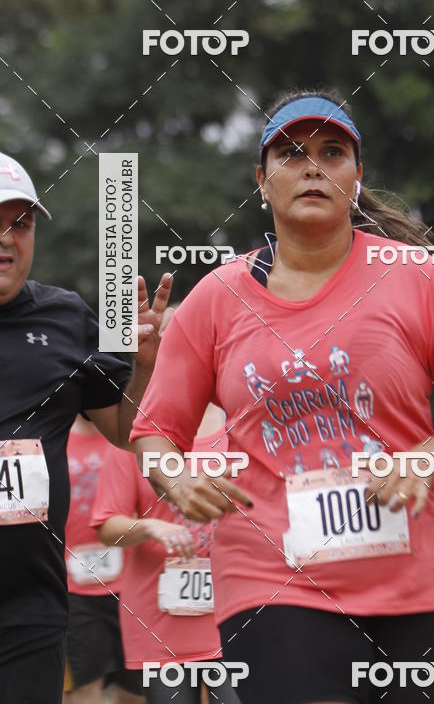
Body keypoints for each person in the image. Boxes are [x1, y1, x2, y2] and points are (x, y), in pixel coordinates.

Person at [129, 90, 434, 704]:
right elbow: (154, 429)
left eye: (332, 152)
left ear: (356, 176)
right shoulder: (215, 297)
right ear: (262, 180)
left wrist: (426, 458)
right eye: (290, 153)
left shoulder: (418, 276)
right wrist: (174, 477)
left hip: (420, 580)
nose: (312, 166)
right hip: (272, 581)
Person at [0, 151, 172, 704]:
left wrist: (144, 364)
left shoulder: (66, 318)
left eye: (19, 223)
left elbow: (125, 430)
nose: (7, 238)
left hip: (31, 606)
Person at [92, 403, 240, 704]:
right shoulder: (135, 432)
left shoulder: (241, 419)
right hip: (158, 621)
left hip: (235, 611)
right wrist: (151, 527)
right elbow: (107, 524)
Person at [64, 415, 144, 703]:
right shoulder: (57, 436)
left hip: (131, 588)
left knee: (135, 693)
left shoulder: (129, 437)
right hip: (75, 589)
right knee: (85, 691)